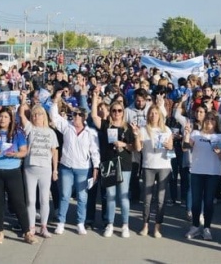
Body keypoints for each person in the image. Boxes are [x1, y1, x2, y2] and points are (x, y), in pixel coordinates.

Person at [0, 107, 38, 245]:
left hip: (13, 171)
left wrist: (16, 154)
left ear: (11, 119)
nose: (2, 119)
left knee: (19, 202)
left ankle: (27, 232)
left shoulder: (18, 133)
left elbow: (24, 151)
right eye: (1, 117)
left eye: (6, 117)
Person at [50, 90, 100, 235]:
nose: (76, 117)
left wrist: (96, 167)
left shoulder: (91, 133)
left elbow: (94, 151)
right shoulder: (67, 127)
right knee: (65, 195)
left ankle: (80, 222)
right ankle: (61, 222)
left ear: (84, 118)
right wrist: (55, 101)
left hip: (83, 169)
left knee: (82, 197)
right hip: (66, 167)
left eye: (79, 115)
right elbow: (54, 116)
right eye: (75, 114)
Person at [92, 92, 135, 238]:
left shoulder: (128, 127)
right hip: (109, 163)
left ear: (123, 112)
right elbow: (94, 117)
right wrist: (94, 98)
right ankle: (110, 224)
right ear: (110, 112)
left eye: (119, 110)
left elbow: (134, 147)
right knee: (110, 195)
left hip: (124, 164)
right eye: (114, 110)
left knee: (123, 196)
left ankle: (125, 225)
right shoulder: (106, 125)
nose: (116, 113)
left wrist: (124, 144)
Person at [183, 111, 221, 241]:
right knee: (196, 202)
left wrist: (220, 153)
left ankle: (207, 228)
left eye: (212, 119)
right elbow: (185, 148)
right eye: (207, 118)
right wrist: (186, 134)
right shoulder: (196, 134)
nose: (209, 121)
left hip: (213, 173)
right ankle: (195, 226)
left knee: (209, 202)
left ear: (216, 121)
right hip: (197, 171)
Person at [18, 96, 59, 238]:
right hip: (30, 168)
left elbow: (54, 152)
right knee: (30, 199)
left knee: (44, 199)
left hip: (46, 168)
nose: (36, 116)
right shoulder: (30, 128)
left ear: (44, 116)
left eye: (39, 114)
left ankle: (43, 226)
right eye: (34, 114)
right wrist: (23, 100)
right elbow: (21, 114)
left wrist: (55, 170)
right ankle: (31, 226)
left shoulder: (51, 132)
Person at [134, 104, 173, 238]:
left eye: (156, 113)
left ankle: (157, 227)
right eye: (151, 113)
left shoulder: (166, 130)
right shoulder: (143, 130)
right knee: (147, 198)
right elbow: (138, 149)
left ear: (160, 115)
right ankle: (145, 225)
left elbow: (171, 149)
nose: (153, 115)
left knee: (161, 199)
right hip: (148, 166)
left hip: (164, 166)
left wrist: (169, 146)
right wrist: (136, 136)